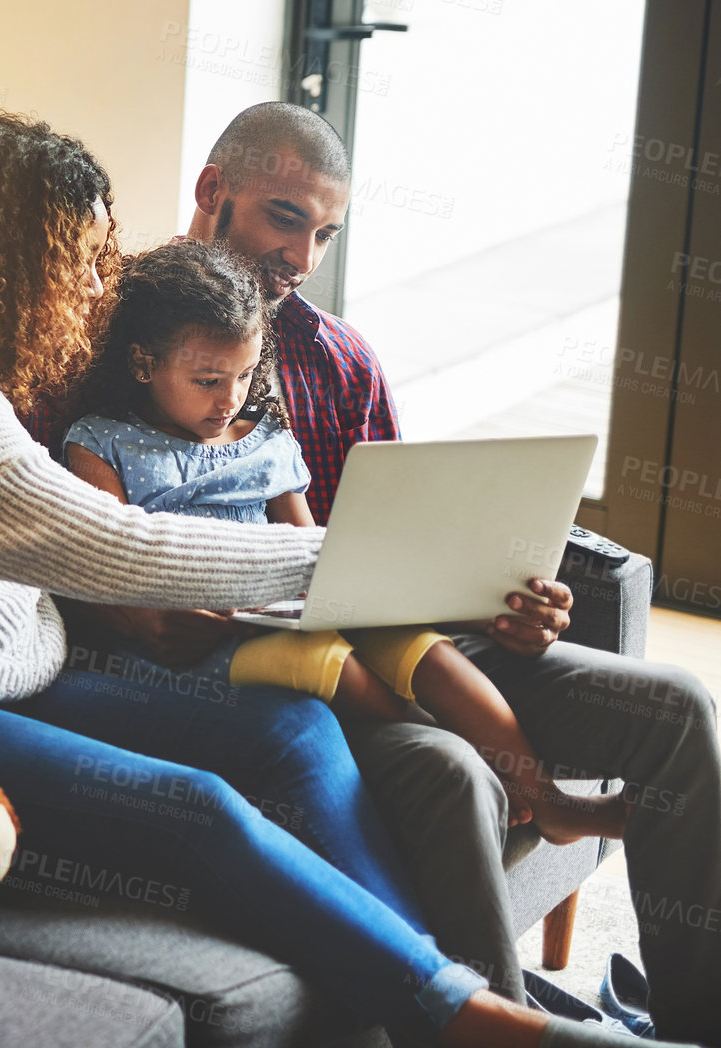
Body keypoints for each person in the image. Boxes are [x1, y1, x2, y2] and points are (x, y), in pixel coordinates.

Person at [0, 109, 663, 1047]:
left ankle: (441, 992)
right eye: (81, 259)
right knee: (203, 806)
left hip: (28, 677)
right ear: (7, 265)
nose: (98, 285)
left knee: (296, 727)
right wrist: (386, 564)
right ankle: (458, 1013)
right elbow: (121, 547)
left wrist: (444, 579)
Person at [73, 99, 719, 1043]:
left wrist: (507, 601)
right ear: (213, 193)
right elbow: (107, 556)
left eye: (325, 233)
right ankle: (505, 1021)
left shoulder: (342, 364)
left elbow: (401, 548)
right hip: (299, 668)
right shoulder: (122, 344)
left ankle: (698, 1023)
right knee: (454, 766)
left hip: (416, 636)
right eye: (283, 218)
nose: (301, 257)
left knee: (681, 709)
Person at [60, 238, 628, 845]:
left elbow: (313, 554)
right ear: (144, 364)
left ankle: (550, 801)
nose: (228, 399)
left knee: (422, 647)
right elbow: (107, 561)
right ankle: (465, 754)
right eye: (205, 380)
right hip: (195, 637)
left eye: (245, 374)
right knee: (320, 660)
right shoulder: (99, 442)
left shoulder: (265, 438)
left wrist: (366, 598)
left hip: (280, 611)